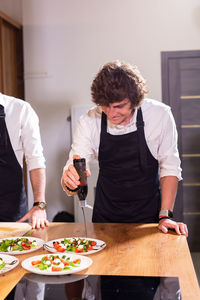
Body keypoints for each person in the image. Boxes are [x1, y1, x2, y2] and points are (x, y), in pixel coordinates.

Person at [61, 61, 188, 299]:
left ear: (136, 99)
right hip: (106, 220)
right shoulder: (89, 121)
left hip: (149, 218)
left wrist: (165, 215)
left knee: (150, 284)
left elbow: (170, 168)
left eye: (119, 106)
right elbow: (74, 164)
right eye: (104, 106)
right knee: (106, 286)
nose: (111, 113)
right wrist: (68, 180)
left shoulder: (159, 115)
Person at [0, 93, 48, 300]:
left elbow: (35, 160)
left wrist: (39, 204)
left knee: (10, 273)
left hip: (10, 210)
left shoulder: (19, 110)